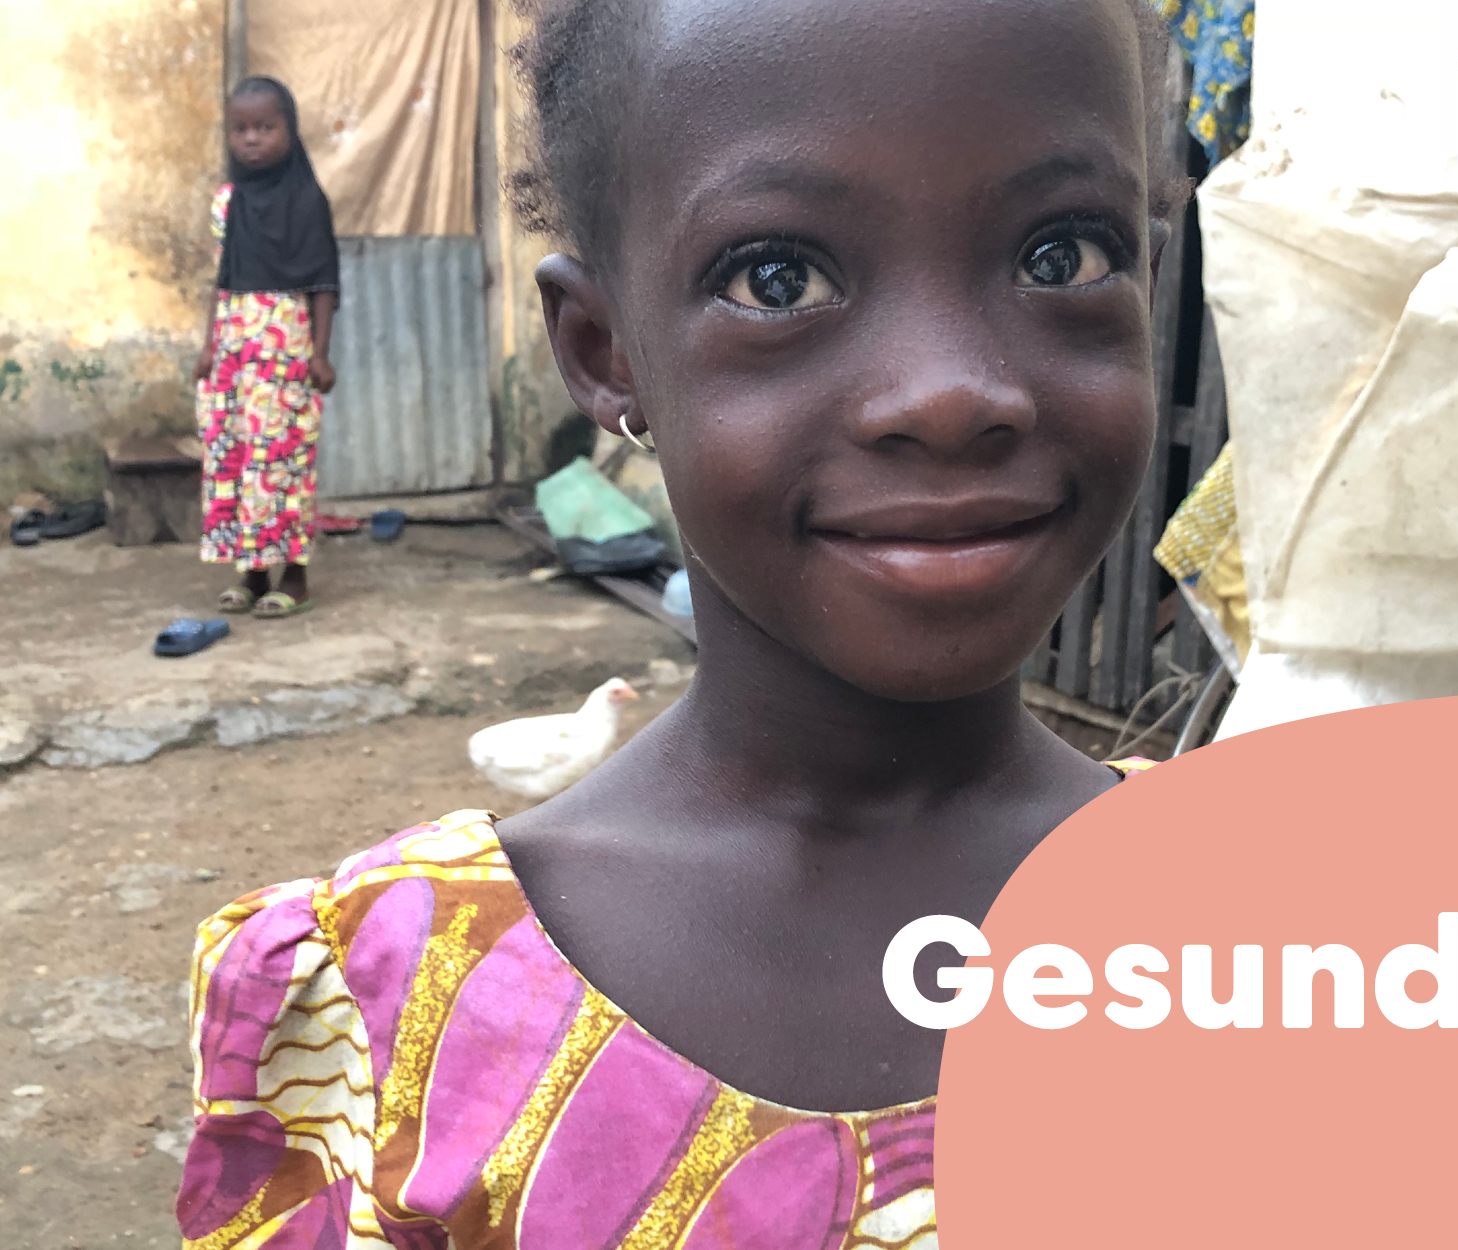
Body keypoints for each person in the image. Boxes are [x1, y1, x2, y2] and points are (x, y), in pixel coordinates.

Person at [176, 2, 1181, 1244]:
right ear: (606, 352)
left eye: (1063, 255)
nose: (948, 394)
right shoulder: (399, 1007)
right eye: (778, 278)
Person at [193, 76, 338, 620]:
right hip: (233, 349)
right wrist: (209, 346)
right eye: (240, 129)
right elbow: (222, 279)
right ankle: (252, 574)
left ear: (289, 130)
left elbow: (323, 283)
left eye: (265, 127)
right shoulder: (227, 203)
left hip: (284, 351)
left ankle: (294, 577)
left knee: (282, 461)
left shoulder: (307, 200)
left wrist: (320, 353)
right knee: (237, 459)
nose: (251, 138)